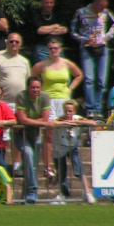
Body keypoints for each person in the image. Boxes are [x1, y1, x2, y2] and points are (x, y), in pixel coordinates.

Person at [31, 37, 83, 180]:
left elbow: (79, 75)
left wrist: (70, 88)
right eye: (50, 48)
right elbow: (32, 76)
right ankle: (48, 167)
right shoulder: (42, 64)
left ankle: (66, 164)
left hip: (64, 100)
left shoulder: (66, 63)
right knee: (48, 133)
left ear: (60, 49)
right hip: (48, 100)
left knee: (65, 131)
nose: (53, 51)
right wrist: (38, 92)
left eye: (55, 48)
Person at [71, 0, 114, 118]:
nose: (102, 10)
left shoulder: (105, 12)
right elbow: (73, 30)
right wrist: (84, 39)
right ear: (95, 4)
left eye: (104, 7)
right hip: (87, 48)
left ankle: (98, 108)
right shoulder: (81, 12)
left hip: (102, 48)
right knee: (89, 79)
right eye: (101, 7)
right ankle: (90, 108)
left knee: (101, 80)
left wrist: (107, 37)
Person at [0, 32, 31, 174]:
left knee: (18, 135)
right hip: (2, 103)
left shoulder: (25, 61)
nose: (13, 44)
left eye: (16, 42)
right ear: (6, 43)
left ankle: (16, 164)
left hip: (20, 104)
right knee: (2, 136)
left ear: (20, 44)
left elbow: (28, 83)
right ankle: (1, 163)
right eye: (11, 41)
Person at [15, 76, 52, 204]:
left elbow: (45, 120)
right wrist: (37, 121)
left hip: (36, 134)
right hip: (22, 134)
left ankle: (25, 195)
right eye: (33, 87)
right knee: (28, 154)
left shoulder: (45, 97)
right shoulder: (21, 96)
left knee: (32, 166)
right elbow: (22, 120)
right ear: (28, 88)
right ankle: (32, 190)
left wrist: (29, 121)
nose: (35, 90)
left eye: (38, 87)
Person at [52, 100, 97, 204]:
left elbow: (93, 123)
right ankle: (63, 194)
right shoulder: (60, 119)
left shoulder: (77, 118)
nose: (68, 113)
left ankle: (87, 192)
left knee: (78, 167)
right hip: (60, 148)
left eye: (70, 111)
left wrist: (77, 123)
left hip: (73, 147)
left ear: (74, 111)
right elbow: (51, 123)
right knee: (61, 172)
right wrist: (63, 123)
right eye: (66, 111)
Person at [30, 0, 69, 64]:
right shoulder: (36, 15)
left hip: (58, 48)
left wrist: (47, 30)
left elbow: (64, 30)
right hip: (42, 49)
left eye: (51, 3)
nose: (49, 5)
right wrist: (55, 26)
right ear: (41, 3)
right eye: (46, 3)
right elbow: (40, 30)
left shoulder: (58, 15)